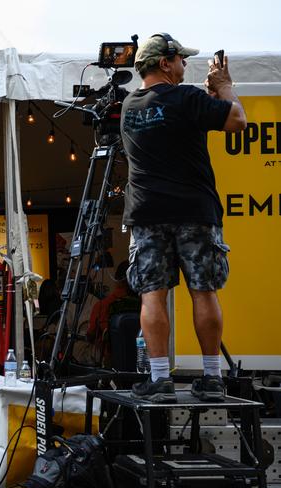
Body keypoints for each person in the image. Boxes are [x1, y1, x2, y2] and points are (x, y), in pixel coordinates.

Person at [121, 34, 246, 402]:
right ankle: (211, 377)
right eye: (180, 60)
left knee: (152, 294)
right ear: (165, 63)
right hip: (194, 210)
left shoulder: (129, 106)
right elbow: (237, 121)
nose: (184, 65)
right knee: (203, 290)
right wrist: (224, 87)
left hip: (147, 212)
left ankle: (159, 379)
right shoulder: (187, 98)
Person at [87, 261, 139, 363]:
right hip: (140, 362)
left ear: (116, 279)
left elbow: (91, 335)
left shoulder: (101, 306)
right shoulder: (145, 305)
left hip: (112, 365)